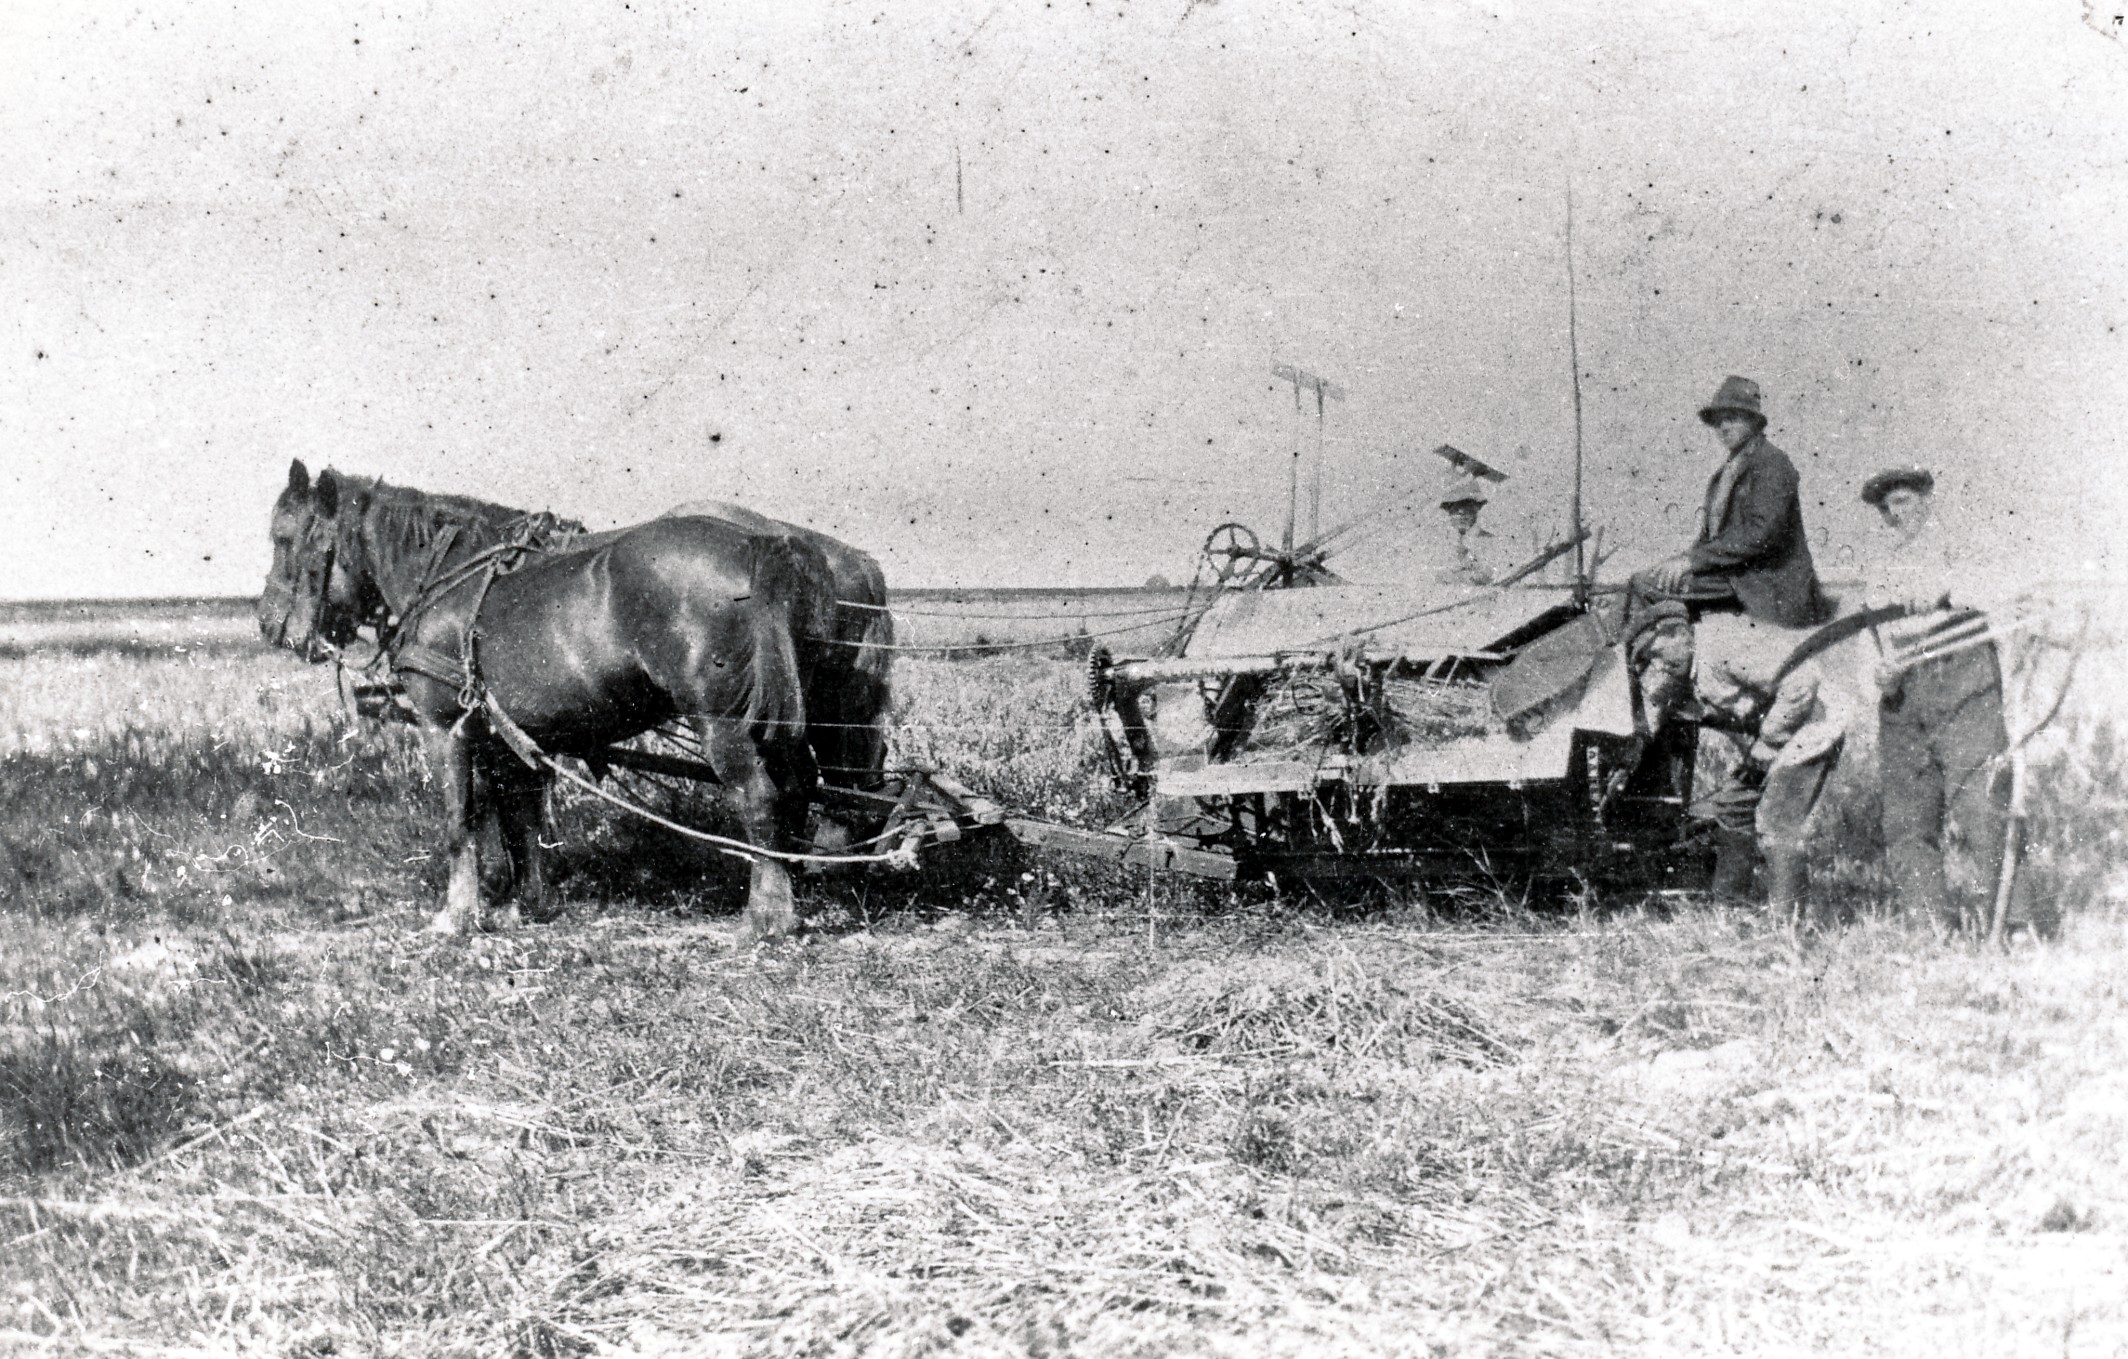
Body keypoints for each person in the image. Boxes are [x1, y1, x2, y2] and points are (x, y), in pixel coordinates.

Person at [1861, 465, 2028, 935]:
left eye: (1902, 502)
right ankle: (1930, 928)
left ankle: (2015, 925)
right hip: (1903, 696)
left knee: (1982, 805)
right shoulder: (1880, 567)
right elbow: (1869, 638)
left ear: (1926, 500)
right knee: (1907, 819)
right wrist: (1880, 674)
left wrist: (1949, 589)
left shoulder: (1962, 547)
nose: (1894, 516)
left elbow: (2007, 592)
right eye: (1885, 508)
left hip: (1962, 683)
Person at [1625, 601, 1848, 928]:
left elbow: (1802, 681)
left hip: (1812, 725)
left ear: (1680, 633)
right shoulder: (1686, 661)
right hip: (1777, 735)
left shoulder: (1723, 647)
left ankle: (1788, 928)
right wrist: (1632, 752)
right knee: (1732, 806)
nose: (1658, 666)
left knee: (1776, 823)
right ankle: (1732, 908)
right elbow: (1659, 707)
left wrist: (1769, 742)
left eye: (1657, 654)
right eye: (1649, 661)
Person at [1633, 376, 1826, 627]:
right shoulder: (1725, 474)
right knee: (1655, 576)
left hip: (1769, 584)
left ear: (1753, 422)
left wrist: (1692, 562)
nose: (1723, 427)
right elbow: (1710, 540)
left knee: (1646, 585)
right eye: (1718, 421)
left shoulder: (1772, 464)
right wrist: (1682, 560)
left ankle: (1652, 649)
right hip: (1737, 578)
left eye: (1732, 418)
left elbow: (1760, 535)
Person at [1434, 470, 1497, 587]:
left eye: (1467, 507)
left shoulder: (1486, 541)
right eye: (1454, 509)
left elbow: (1486, 576)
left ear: (1476, 510)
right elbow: (1436, 575)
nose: (1461, 513)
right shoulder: (1445, 542)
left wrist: (1455, 577)